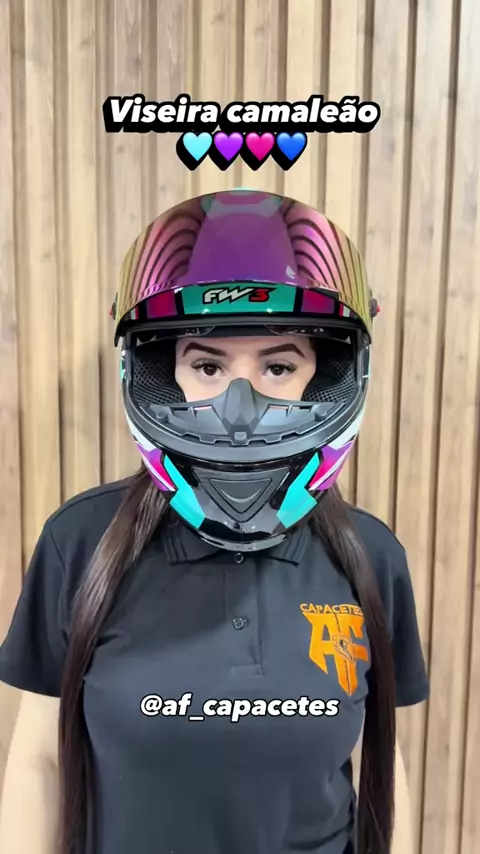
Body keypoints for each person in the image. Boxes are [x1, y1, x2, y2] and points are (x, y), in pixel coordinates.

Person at [0, 189, 429, 854]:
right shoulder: (79, 543)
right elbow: (40, 761)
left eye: (279, 366)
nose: (239, 409)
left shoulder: (372, 555)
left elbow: (379, 760)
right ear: (157, 373)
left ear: (328, 377)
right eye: (207, 365)